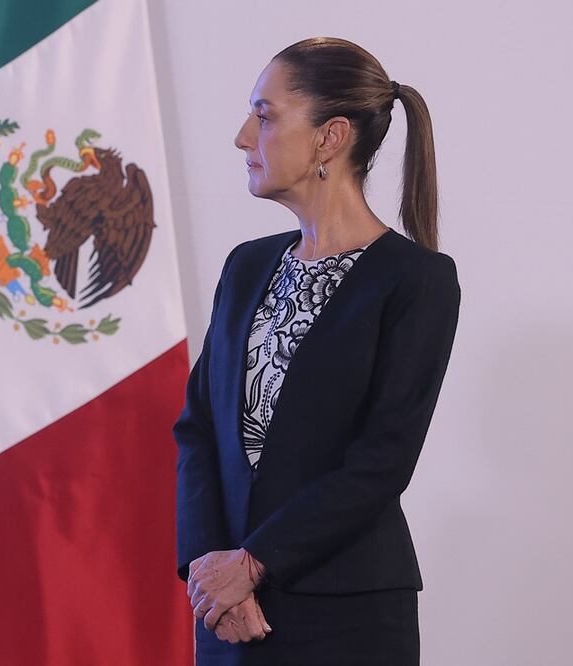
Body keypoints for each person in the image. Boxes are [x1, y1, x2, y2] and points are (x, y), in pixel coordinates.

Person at [173, 37, 462, 665]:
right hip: (225, 613)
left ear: (331, 137)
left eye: (265, 115)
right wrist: (209, 568)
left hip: (345, 616)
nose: (243, 137)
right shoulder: (246, 267)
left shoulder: (417, 280)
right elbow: (198, 430)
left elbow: (381, 461)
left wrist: (254, 563)